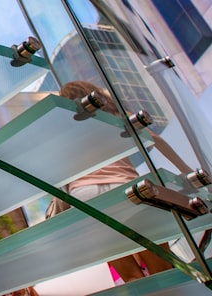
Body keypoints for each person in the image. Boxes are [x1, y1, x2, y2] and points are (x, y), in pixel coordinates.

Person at [59, 80, 174, 283]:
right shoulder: (112, 115)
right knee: (163, 267)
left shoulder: (63, 126)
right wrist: (189, 172)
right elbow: (156, 140)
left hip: (84, 195)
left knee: (130, 276)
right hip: (126, 188)